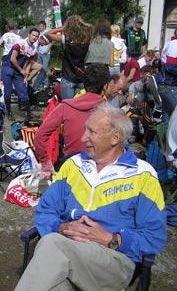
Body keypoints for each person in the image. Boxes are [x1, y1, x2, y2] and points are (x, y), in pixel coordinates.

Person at [16, 103, 167, 291]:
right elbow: (46, 211)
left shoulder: (143, 175)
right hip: (66, 252)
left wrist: (113, 239)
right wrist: (60, 227)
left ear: (115, 138)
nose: (82, 137)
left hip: (113, 259)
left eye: (91, 132)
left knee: (51, 244)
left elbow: (154, 237)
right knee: (56, 285)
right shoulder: (73, 165)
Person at [34, 64, 120, 179]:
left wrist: (45, 162)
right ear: (105, 86)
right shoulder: (111, 113)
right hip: (98, 170)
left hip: (70, 165)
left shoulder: (66, 106)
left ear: (84, 84)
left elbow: (40, 135)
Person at [45, 15, 93, 99]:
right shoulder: (87, 39)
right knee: (78, 107)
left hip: (68, 77)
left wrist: (62, 28)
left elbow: (47, 34)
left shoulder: (66, 39)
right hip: (81, 76)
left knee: (67, 106)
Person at [1, 28, 40, 121]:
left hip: (18, 72)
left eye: (36, 36)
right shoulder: (20, 43)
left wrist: (26, 76)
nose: (34, 37)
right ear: (29, 35)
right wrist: (21, 70)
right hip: (8, 68)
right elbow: (12, 58)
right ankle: (9, 112)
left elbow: (28, 63)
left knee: (23, 92)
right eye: (33, 35)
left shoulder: (33, 49)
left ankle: (29, 114)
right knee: (8, 92)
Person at [160, 31, 177, 128]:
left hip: (167, 86)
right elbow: (170, 66)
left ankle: (160, 142)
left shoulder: (170, 44)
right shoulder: (174, 45)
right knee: (173, 116)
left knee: (166, 119)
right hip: (169, 87)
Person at [36, 20, 52, 89]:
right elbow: (38, 42)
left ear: (44, 26)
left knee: (44, 69)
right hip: (40, 53)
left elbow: (51, 42)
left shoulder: (47, 33)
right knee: (40, 69)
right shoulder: (39, 33)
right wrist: (37, 49)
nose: (40, 27)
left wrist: (48, 49)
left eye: (41, 26)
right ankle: (41, 84)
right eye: (39, 26)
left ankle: (45, 84)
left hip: (46, 53)